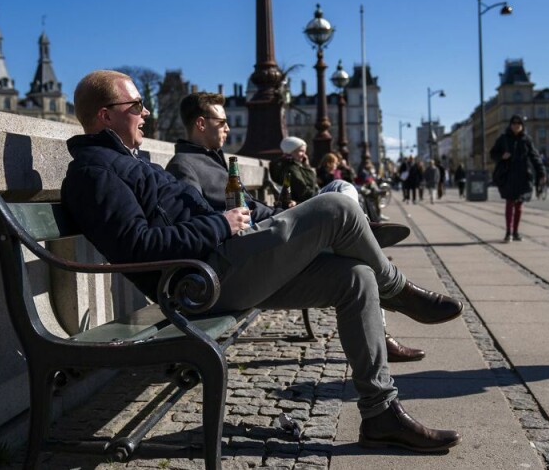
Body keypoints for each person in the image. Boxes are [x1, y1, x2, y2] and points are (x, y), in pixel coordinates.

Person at [61, 71, 461, 451]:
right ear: (105, 114)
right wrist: (220, 224)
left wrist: (237, 223)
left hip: (223, 266)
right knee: (338, 206)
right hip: (200, 285)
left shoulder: (132, 162)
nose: (145, 112)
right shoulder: (93, 172)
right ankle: (396, 288)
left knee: (355, 277)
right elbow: (139, 246)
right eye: (136, 105)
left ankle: (380, 414)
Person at [168, 93, 424, 363]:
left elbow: (253, 206)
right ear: (200, 124)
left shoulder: (216, 160)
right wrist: (228, 220)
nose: (228, 128)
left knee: (343, 193)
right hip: (243, 256)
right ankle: (366, 245)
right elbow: (198, 224)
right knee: (345, 225)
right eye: (222, 122)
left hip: (264, 232)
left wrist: (283, 211)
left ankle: (357, 232)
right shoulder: (184, 166)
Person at [490, 115, 545, 243]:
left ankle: (515, 232)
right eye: (514, 123)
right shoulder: (503, 139)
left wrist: (541, 172)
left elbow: (535, 157)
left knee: (519, 204)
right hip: (508, 175)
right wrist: (502, 156)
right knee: (510, 203)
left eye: (519, 124)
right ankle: (508, 232)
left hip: (523, 175)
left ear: (522, 126)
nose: (516, 126)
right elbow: (493, 154)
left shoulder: (526, 140)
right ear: (510, 125)